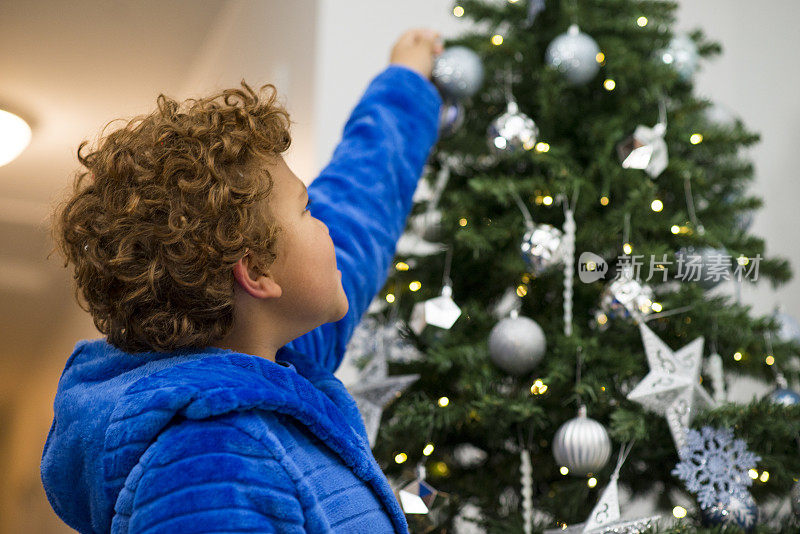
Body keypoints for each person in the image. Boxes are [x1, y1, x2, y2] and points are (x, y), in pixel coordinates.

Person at [41, 28, 444, 533]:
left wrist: (405, 81)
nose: (325, 226)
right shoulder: (210, 458)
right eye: (306, 209)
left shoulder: (279, 366)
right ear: (255, 272)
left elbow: (358, 205)